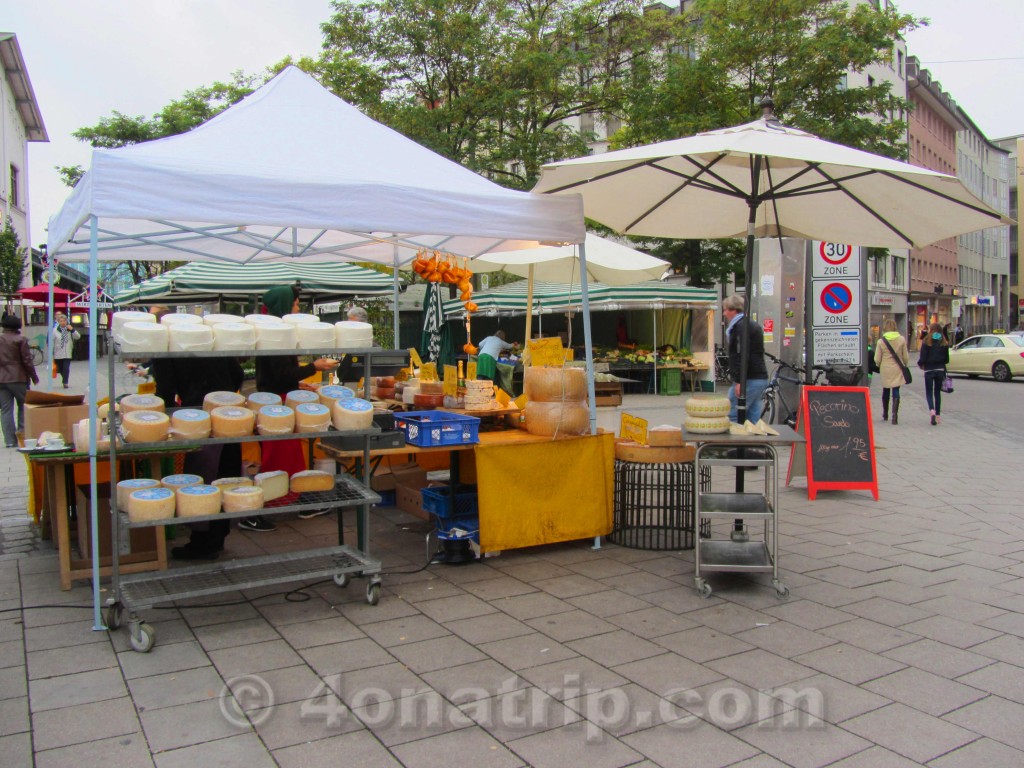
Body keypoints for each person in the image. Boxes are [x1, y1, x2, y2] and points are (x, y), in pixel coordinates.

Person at [239, 285, 338, 531]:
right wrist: (313, 366)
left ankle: (289, 501)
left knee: (288, 456)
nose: (297, 309)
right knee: (278, 459)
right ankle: (263, 507)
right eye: (294, 304)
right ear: (284, 306)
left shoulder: (277, 332)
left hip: (278, 401)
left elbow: (280, 375)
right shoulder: (273, 334)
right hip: (274, 406)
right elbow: (281, 373)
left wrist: (298, 383)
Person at [154, 355, 244, 559]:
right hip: (231, 416)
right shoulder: (210, 340)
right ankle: (218, 536)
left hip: (197, 418)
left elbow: (166, 390)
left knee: (204, 478)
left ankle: (204, 541)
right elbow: (237, 372)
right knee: (226, 477)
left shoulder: (166, 348)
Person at [722, 294, 769, 424]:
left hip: (749, 378)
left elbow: (741, 354)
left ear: (734, 310)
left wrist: (739, 380)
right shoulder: (752, 324)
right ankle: (755, 443)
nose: (724, 313)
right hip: (759, 376)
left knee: (733, 413)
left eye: (726, 310)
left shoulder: (740, 327)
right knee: (752, 416)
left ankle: (736, 443)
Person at [0, 315, 39, 448]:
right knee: (23, 405)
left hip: (1, 380)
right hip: (18, 378)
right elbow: (27, 360)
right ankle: (22, 435)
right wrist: (34, 376)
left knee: (5, 410)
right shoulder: (20, 339)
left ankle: (10, 440)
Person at [873, 319, 909, 425]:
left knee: (886, 390)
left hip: (885, 368)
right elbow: (905, 356)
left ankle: (885, 413)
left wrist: (878, 365)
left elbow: (877, 358)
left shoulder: (881, 341)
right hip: (897, 367)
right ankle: (895, 416)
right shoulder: (901, 339)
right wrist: (905, 364)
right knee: (896, 389)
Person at [918, 321, 950, 426]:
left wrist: (921, 364)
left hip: (929, 369)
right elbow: (946, 359)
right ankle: (938, 415)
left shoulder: (926, 341)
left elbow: (922, 357)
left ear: (931, 330)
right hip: (940, 369)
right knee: (937, 393)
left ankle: (931, 410)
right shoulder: (944, 342)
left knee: (929, 392)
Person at [50, 313, 81, 389]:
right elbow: (52, 341)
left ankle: (65, 382)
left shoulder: (69, 329)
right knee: (60, 368)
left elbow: (78, 337)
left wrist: (72, 330)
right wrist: (51, 351)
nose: (63, 322)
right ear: (58, 322)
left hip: (67, 352)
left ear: (66, 321)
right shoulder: (55, 330)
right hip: (58, 352)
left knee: (66, 368)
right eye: (61, 321)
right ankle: (64, 378)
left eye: (64, 321)